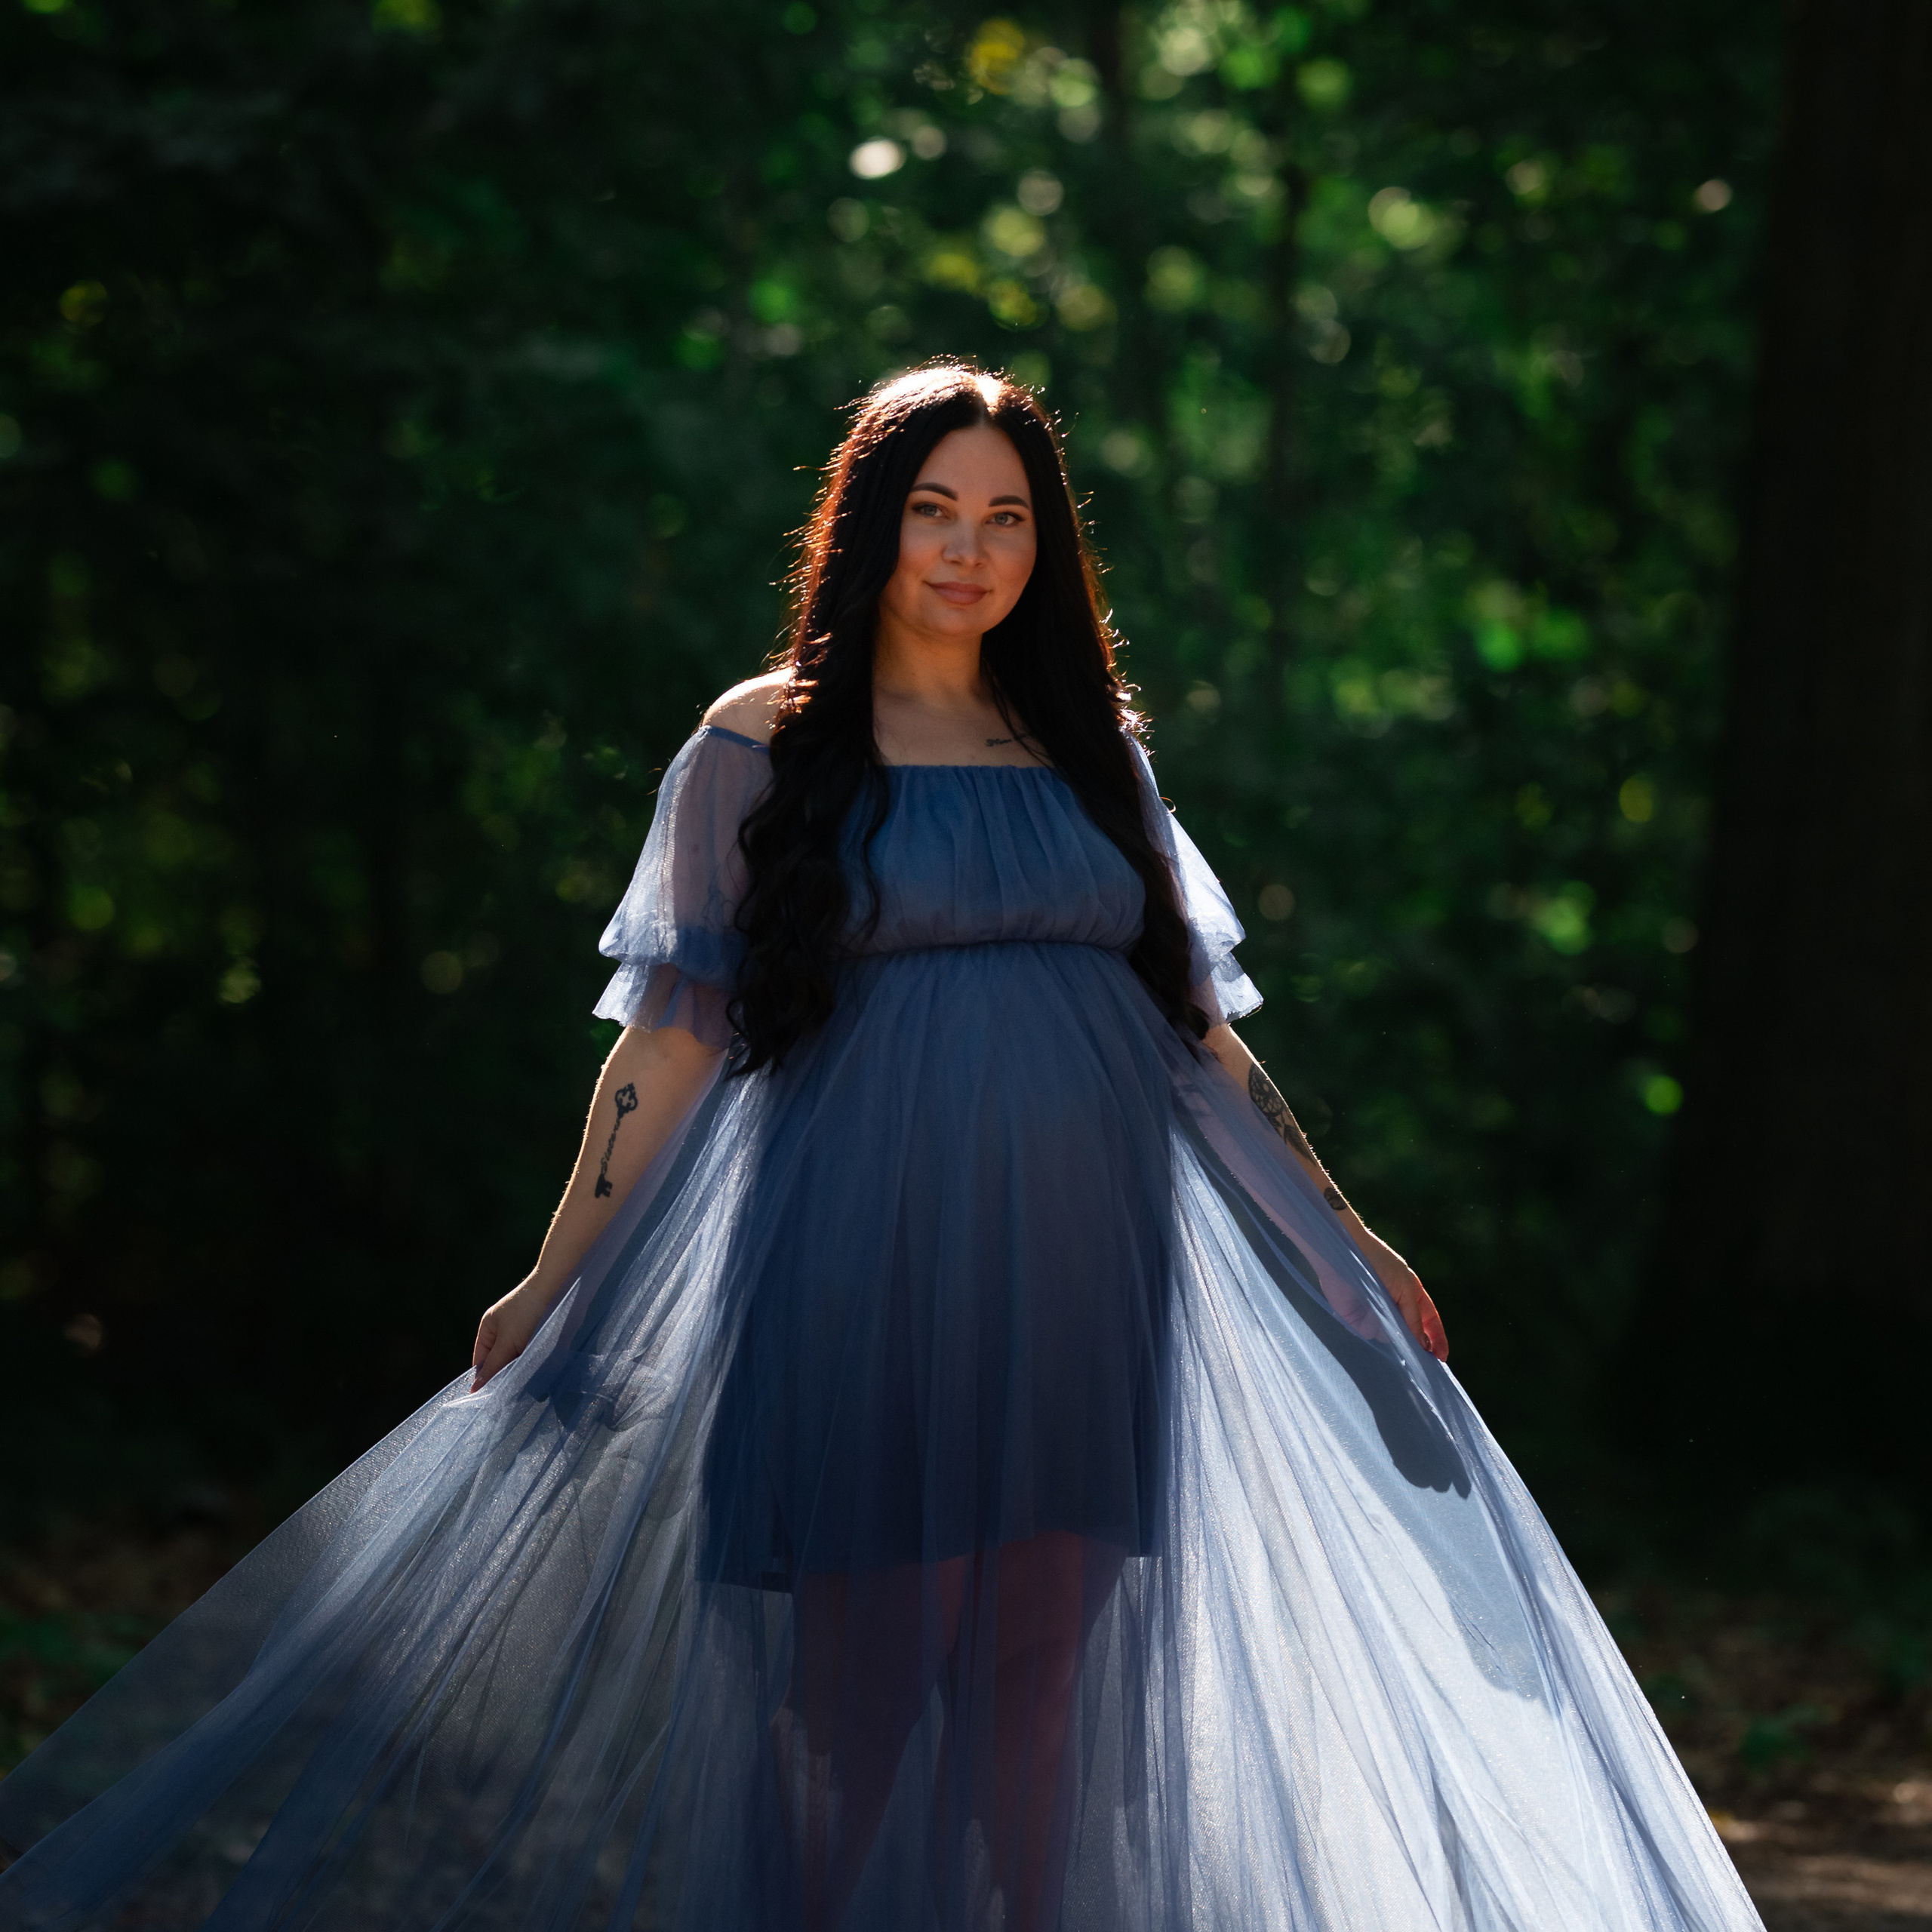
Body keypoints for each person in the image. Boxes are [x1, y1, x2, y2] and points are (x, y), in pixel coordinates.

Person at [0, 365, 1761, 1932]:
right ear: (870, 526)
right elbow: (672, 1035)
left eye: (1006, 518)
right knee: (850, 1693)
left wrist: (1343, 1241)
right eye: (933, 510)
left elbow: (1194, 1041)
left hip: (1086, 1266)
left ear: (1042, 551)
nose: (969, 550)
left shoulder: (1092, 755)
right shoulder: (759, 743)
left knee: (1040, 1687)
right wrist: (558, 1273)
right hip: (858, 1252)